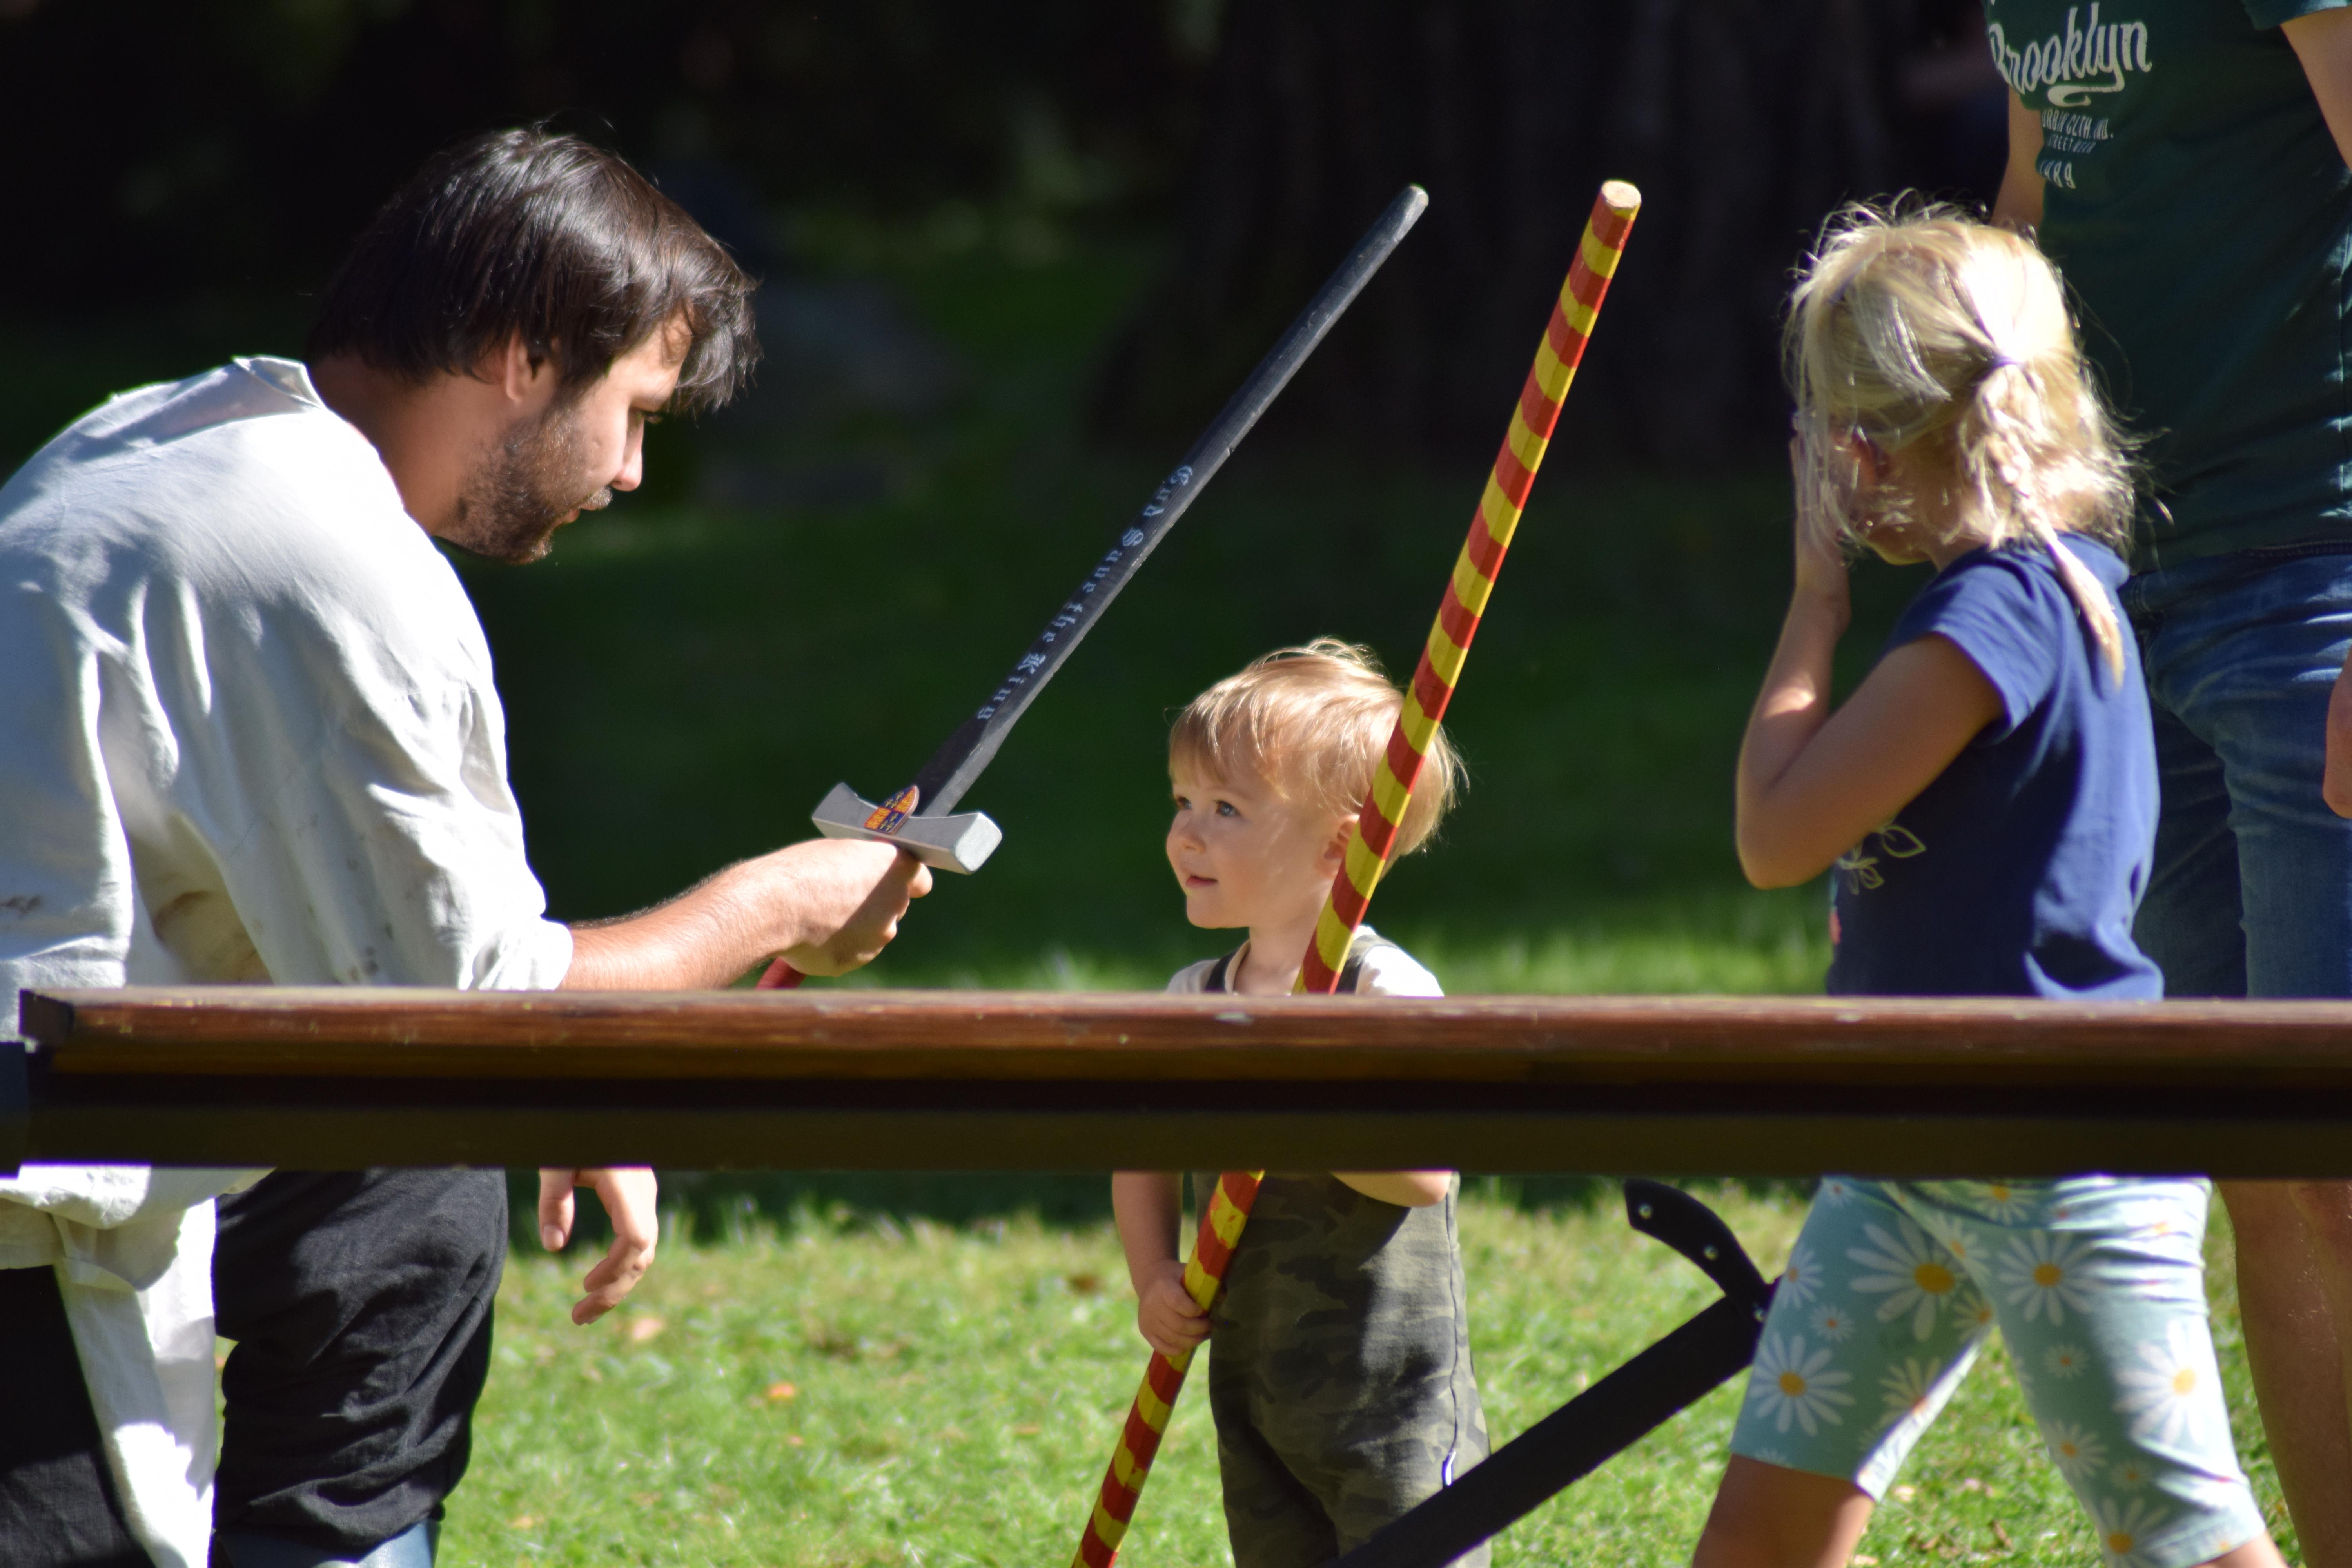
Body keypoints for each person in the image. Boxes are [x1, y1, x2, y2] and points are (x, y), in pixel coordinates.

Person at [0, 129, 929, 1568]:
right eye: (631, 412)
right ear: (522, 351)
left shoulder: (161, 438)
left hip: (91, 1088)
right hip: (33, 1209)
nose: (630, 471)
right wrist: (777, 905)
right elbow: (472, 1011)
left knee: (408, 1184)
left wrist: (548, 1077)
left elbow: (386, 967)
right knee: (422, 1162)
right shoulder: (322, 556)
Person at [1688, 209, 2285, 1568]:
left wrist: (1815, 602)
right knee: (1764, 1533)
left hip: (2059, 1156)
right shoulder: (2055, 587)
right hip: (1912, 1148)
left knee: (2183, 1537)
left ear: (1859, 450)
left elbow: (1776, 836)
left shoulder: (1993, 618)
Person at [1979, 5, 2352, 1557]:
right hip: (2130, 583)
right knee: (2265, 1155)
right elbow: (2030, 217)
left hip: (2314, 572)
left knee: (2337, 1150)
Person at [1111, 641, 1486, 1568]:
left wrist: (1272, 1115)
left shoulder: (1384, 991)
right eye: (1183, 802)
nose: (1187, 834)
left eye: (1226, 809)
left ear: (1340, 845)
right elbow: (1139, 1147)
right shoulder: (1193, 998)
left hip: (1391, 1394)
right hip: (1256, 1386)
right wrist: (1153, 1273)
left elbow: (1424, 1174)